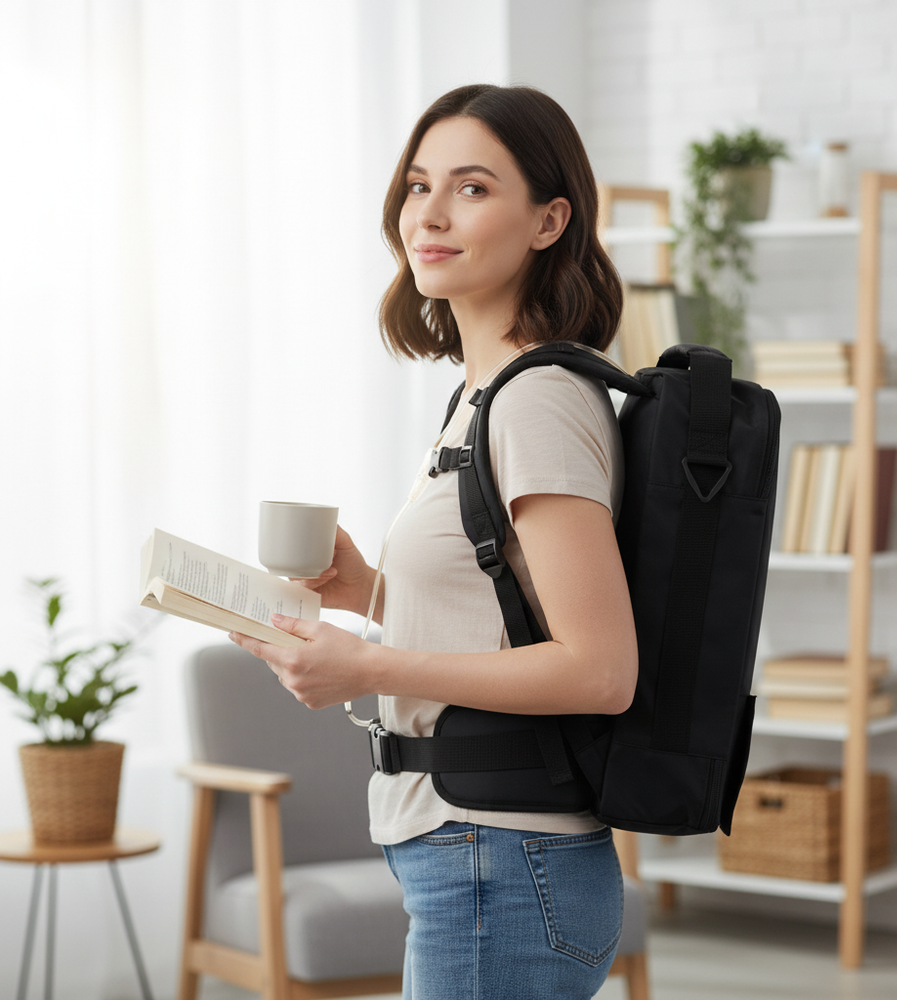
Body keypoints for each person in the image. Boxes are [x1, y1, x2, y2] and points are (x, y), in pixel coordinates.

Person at [229, 83, 638, 999]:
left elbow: (598, 669)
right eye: (418, 186)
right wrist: (367, 591)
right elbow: (510, 611)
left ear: (548, 220)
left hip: (500, 855)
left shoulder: (536, 400)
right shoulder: (480, 394)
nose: (431, 214)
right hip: (475, 851)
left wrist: (368, 669)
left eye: (473, 187)